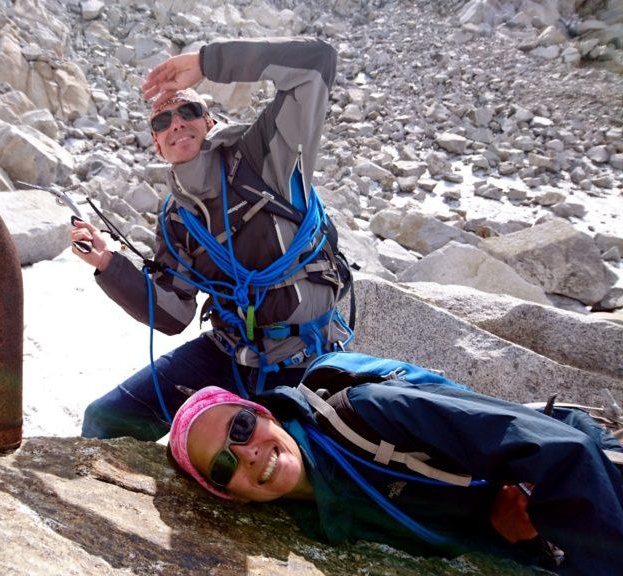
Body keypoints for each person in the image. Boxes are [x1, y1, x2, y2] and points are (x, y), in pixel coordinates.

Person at [72, 37, 352, 441]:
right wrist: (109, 264)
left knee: (292, 473)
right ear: (156, 144)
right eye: (161, 122)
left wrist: (208, 63)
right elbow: (174, 314)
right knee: (105, 420)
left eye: (188, 111)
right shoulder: (176, 216)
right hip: (228, 355)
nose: (176, 124)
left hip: (303, 359)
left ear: (209, 122)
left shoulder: (264, 158)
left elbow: (317, 63)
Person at [168, 382, 623, 575]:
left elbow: (559, 451)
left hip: (582, 483)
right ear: (230, 497)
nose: (247, 455)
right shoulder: (310, 518)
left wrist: (528, 502)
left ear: (263, 412)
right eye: (223, 466)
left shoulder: (366, 414)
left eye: (241, 428)